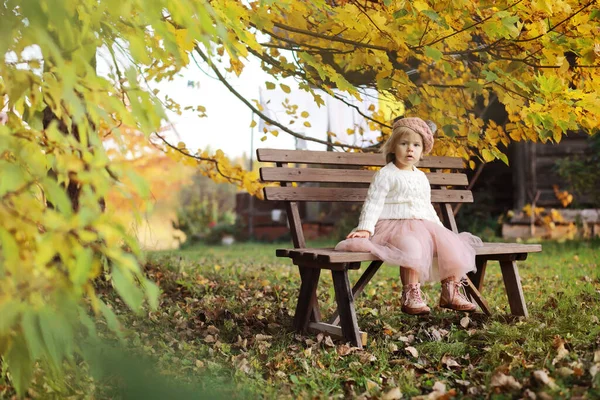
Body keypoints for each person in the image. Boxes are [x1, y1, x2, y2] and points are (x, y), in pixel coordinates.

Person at [335, 117, 482, 315]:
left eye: (416, 145)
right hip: (392, 226)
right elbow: (373, 202)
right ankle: (411, 294)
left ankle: (451, 291)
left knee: (451, 244)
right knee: (412, 246)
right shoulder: (386, 174)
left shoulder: (421, 177)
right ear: (393, 147)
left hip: (423, 224)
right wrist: (365, 228)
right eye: (404, 144)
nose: (410, 149)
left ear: (423, 151)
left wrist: (440, 231)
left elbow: (426, 206)